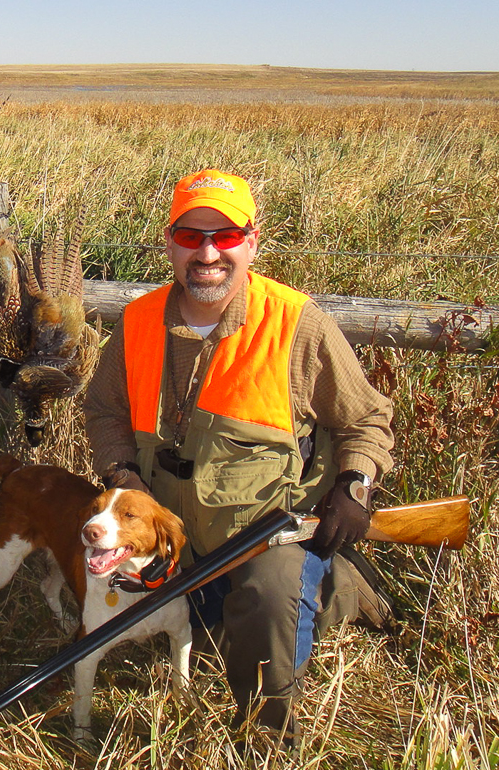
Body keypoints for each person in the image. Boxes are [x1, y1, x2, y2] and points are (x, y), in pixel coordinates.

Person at [84, 168, 395, 749]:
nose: (208, 253)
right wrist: (122, 474)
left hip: (267, 536)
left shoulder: (298, 326)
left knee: (268, 601)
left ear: (252, 242)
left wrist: (353, 487)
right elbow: (103, 410)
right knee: (194, 626)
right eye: (191, 235)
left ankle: (267, 739)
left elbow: (366, 419)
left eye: (225, 237)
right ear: (169, 241)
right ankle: (321, 595)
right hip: (178, 536)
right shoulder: (137, 322)